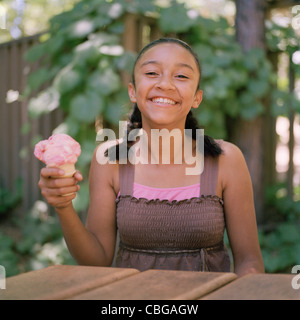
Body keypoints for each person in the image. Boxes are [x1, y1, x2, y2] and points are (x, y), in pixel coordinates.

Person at [38, 38, 265, 277]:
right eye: (152, 72)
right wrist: (63, 206)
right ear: (133, 91)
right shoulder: (110, 159)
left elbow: (249, 261)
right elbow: (97, 261)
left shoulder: (226, 160)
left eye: (181, 76)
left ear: (197, 98)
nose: (165, 84)